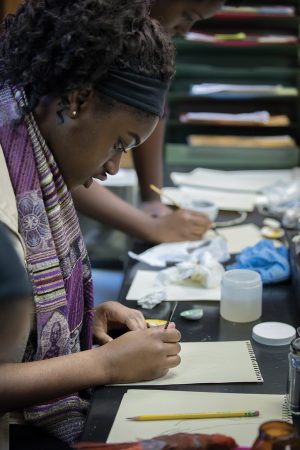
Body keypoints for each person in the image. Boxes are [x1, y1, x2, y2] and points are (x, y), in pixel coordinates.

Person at [0, 0, 181, 444]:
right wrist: (102, 366)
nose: (116, 166)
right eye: (119, 142)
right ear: (78, 100)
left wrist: (79, 322)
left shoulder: (21, 139)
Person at [72, 0, 225, 243]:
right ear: (76, 100)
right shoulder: (82, 38)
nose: (186, 29)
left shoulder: (146, 45)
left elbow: (149, 109)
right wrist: (149, 228)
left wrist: (152, 200)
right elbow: (60, 166)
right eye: (187, 14)